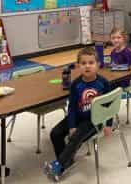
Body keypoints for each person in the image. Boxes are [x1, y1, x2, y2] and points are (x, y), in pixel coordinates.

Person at [46, 47, 112, 182]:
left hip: (94, 120)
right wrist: (71, 125)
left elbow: (108, 105)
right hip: (78, 116)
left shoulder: (103, 83)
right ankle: (66, 161)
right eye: (83, 63)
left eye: (91, 63)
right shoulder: (76, 84)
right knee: (55, 133)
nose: (87, 66)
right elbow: (72, 108)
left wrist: (109, 124)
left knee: (75, 137)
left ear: (98, 65)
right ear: (78, 66)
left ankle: (59, 164)